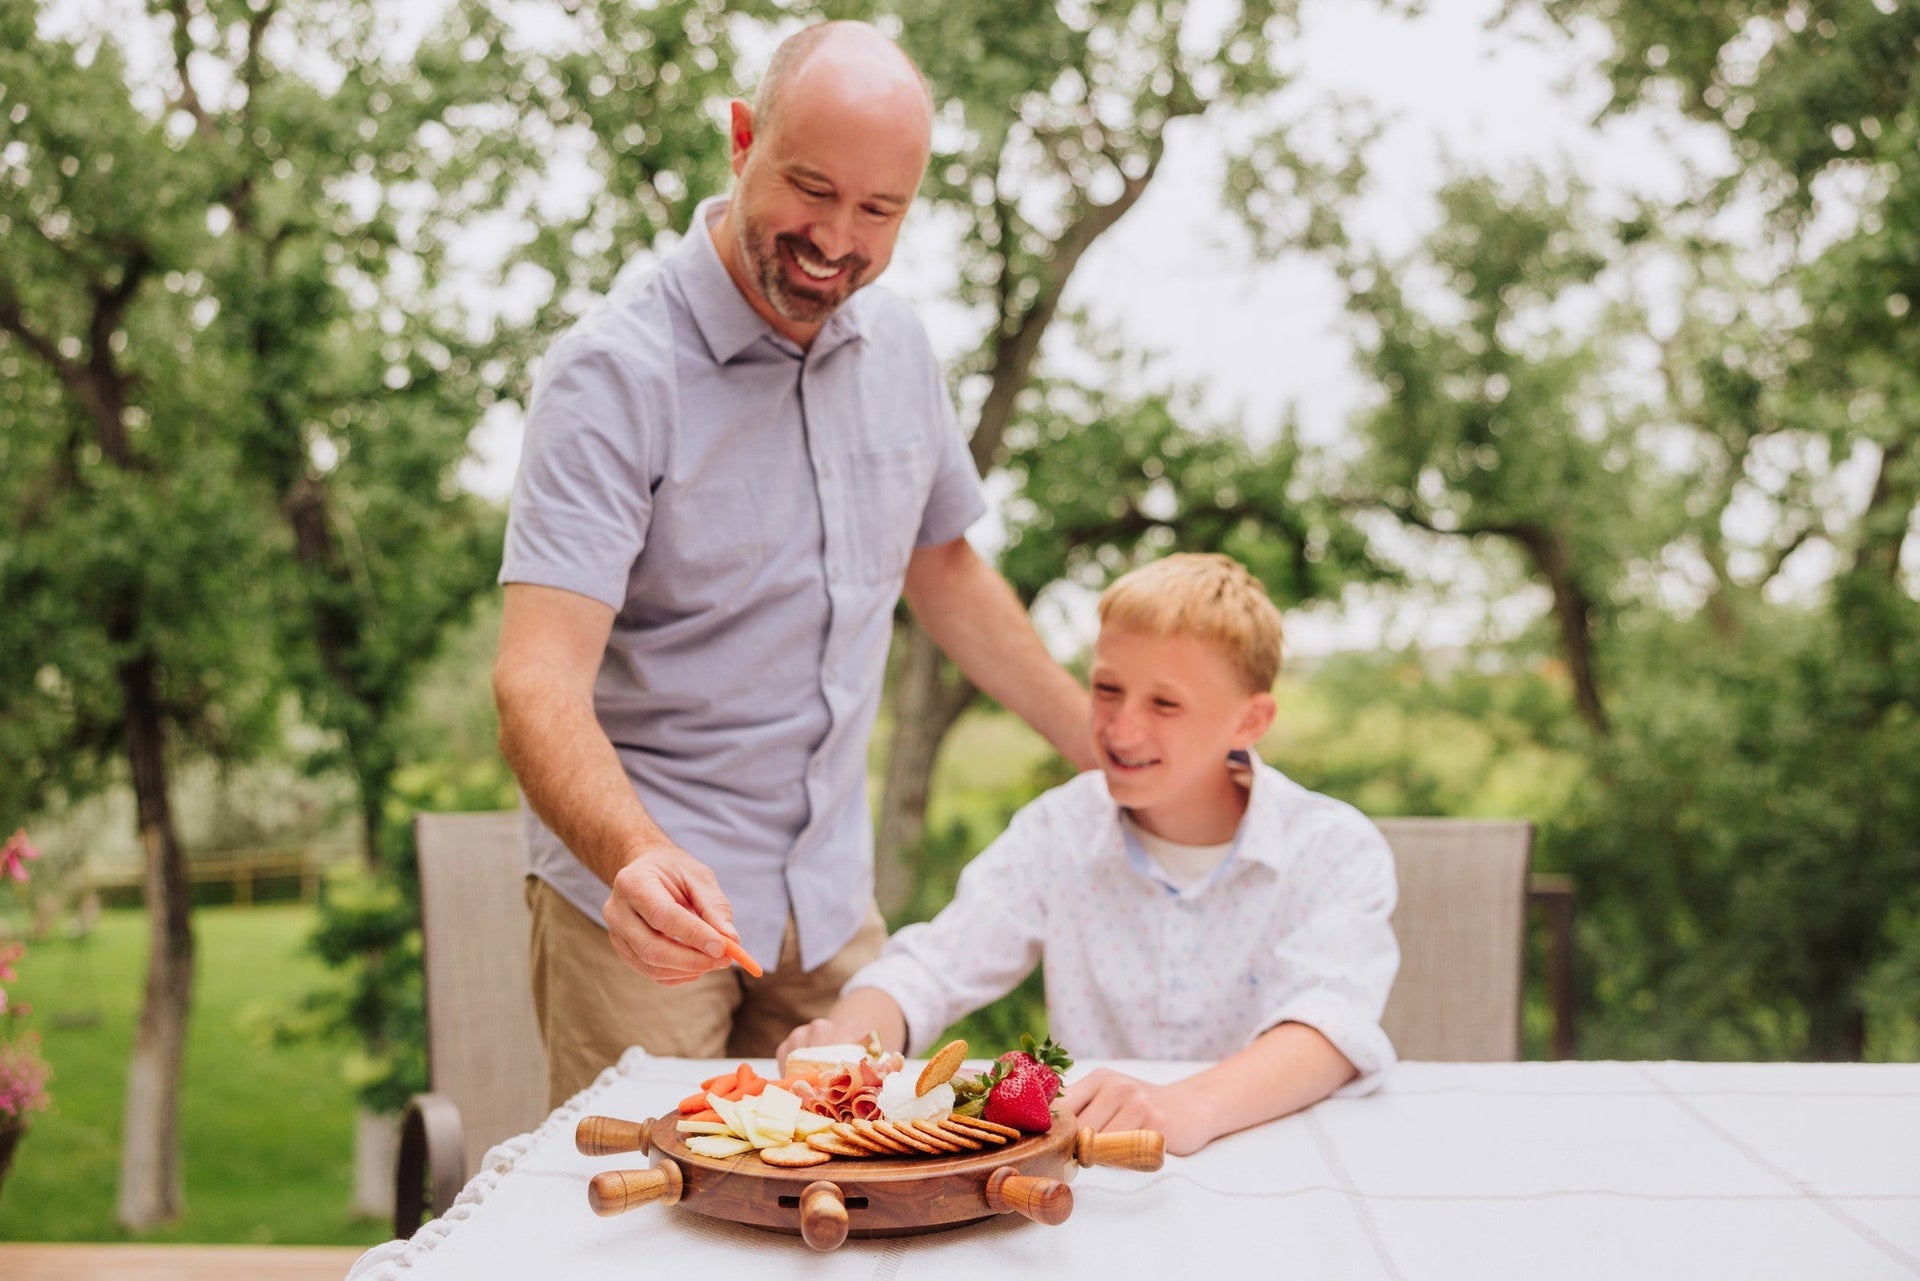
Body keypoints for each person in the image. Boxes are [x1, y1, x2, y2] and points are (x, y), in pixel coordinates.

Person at [492, 21, 1094, 1106]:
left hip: (828, 901)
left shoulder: (899, 348)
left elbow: (945, 566)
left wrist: (1101, 749)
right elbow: (535, 680)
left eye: (879, 210)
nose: (835, 239)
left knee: (867, 1196)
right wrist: (632, 855)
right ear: (740, 141)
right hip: (649, 908)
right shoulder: (611, 375)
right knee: (663, 1228)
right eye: (811, 189)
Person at [776, 553, 1400, 1155]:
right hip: (1094, 1166)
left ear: (1250, 721)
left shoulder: (1335, 850)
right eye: (1107, 688)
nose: (1121, 729)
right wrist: (854, 1037)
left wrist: (1187, 1107)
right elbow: (933, 966)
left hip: (1272, 1155)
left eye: (1165, 703)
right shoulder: (1059, 829)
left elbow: (1331, 1026)